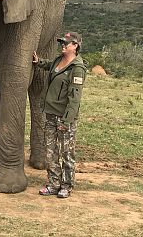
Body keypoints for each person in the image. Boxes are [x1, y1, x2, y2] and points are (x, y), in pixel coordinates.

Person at [33, 32, 86, 198]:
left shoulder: (77, 68)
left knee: (66, 153)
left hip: (64, 118)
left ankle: (67, 185)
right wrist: (39, 62)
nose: (63, 45)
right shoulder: (58, 60)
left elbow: (75, 99)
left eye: (67, 43)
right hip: (50, 114)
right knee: (50, 152)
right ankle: (53, 184)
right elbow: (50, 66)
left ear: (75, 46)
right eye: (62, 42)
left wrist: (66, 120)